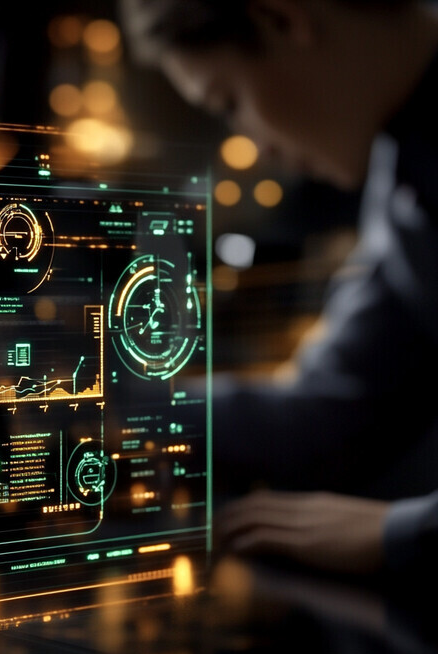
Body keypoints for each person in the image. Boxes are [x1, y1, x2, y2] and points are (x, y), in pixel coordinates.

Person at [118, 0, 438, 581]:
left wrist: (405, 532)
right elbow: (333, 412)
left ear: (283, 18)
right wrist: (108, 409)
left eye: (230, 102)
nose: (256, 145)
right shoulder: (402, 180)